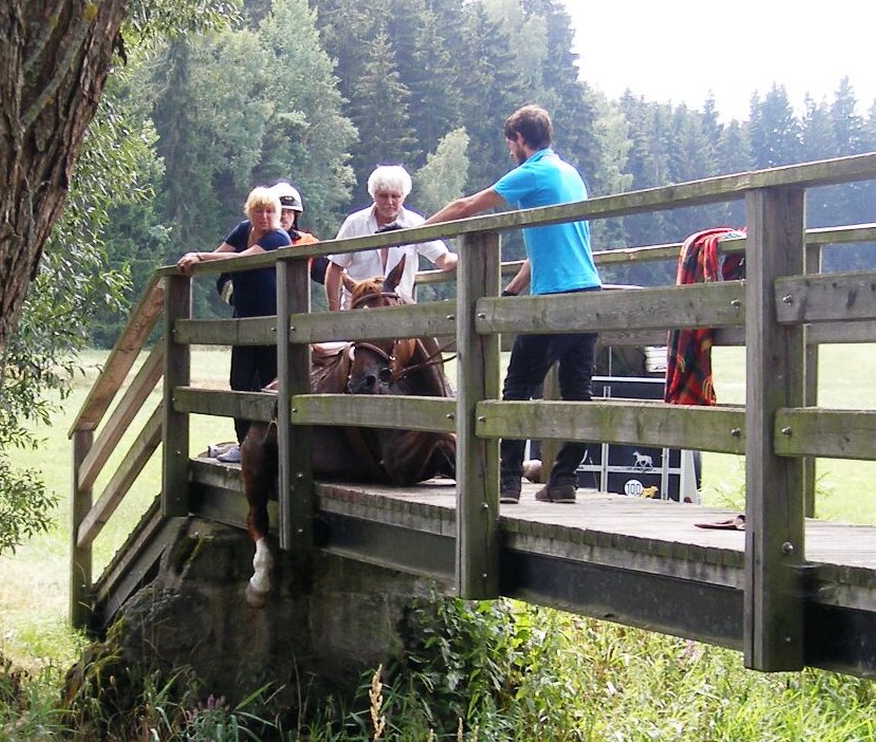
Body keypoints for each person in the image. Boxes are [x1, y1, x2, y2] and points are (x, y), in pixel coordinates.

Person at [422, 104, 601, 504]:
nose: (509, 152)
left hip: (556, 299)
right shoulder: (569, 173)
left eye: (510, 144)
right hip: (589, 291)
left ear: (520, 139)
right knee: (578, 393)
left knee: (518, 387)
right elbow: (544, 251)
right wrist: (514, 291)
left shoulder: (533, 172)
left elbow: (467, 206)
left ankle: (507, 482)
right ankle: (563, 481)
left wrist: (416, 233)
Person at [177, 187, 292, 463]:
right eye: (258, 211)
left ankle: (272, 448)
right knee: (239, 383)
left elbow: (243, 259)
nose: (264, 216)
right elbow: (221, 256)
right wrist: (197, 260)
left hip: (272, 323)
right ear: (249, 212)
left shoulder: (279, 237)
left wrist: (199, 255)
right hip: (243, 322)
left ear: (278, 214)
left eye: (270, 211)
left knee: (269, 386)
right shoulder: (243, 229)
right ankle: (244, 445)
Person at [325, 165, 458, 310]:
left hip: (398, 311)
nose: (389, 202)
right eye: (383, 196)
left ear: (404, 196)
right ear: (374, 195)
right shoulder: (354, 223)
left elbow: (444, 259)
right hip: (358, 310)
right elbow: (335, 267)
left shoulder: (415, 223)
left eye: (395, 196)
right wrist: (334, 311)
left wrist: (467, 258)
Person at [217, 180, 328, 306]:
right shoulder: (247, 233)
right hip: (249, 311)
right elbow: (223, 281)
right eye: (281, 211)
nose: (284, 216)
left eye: (289, 212)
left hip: (290, 311)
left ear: (296, 216)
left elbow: (330, 274)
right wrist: (243, 299)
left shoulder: (305, 243)